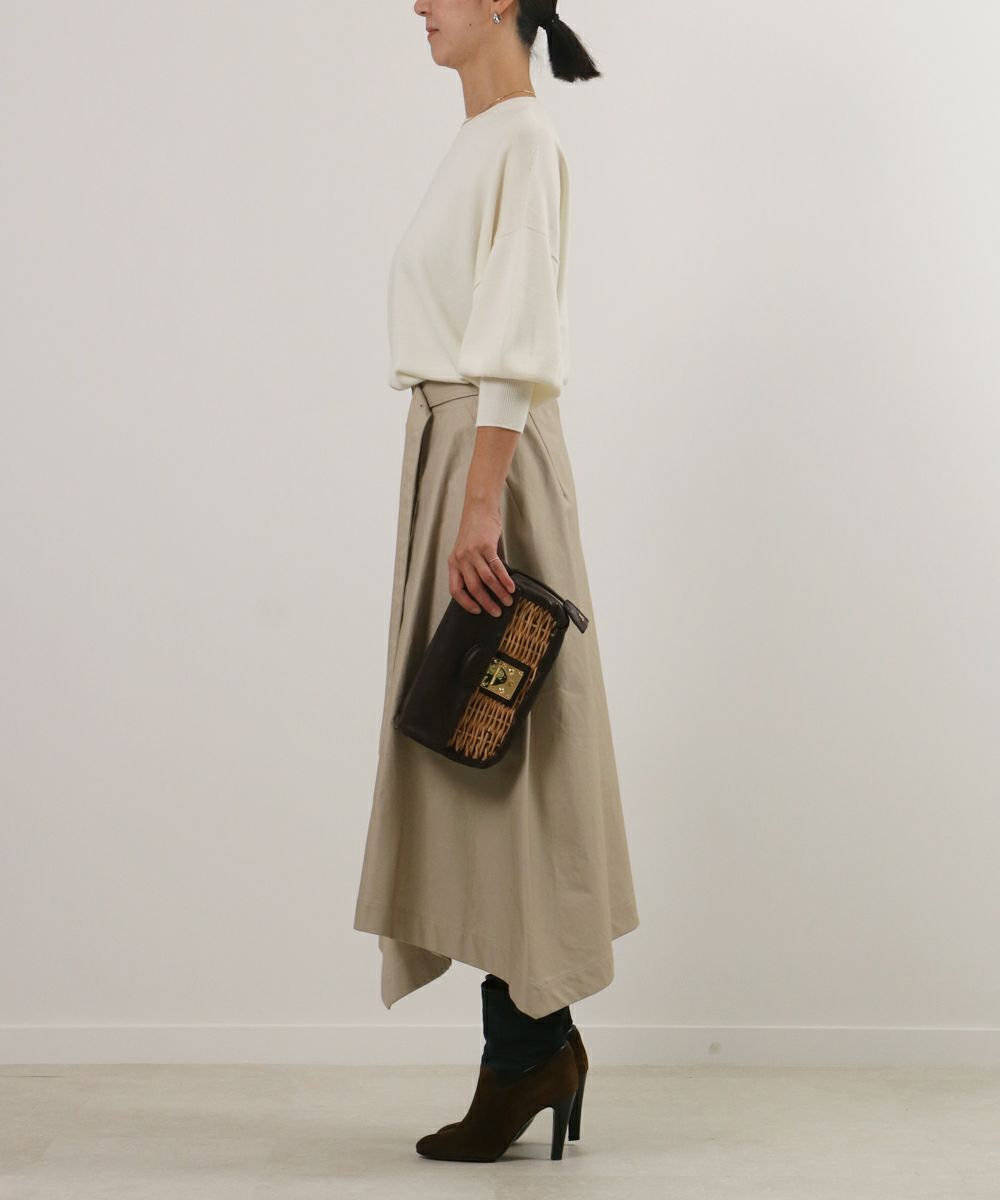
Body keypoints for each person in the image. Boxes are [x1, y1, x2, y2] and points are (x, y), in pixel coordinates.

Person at [352, 0, 640, 1162]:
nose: (415, 4)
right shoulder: (480, 139)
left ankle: (525, 1054)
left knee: (509, 753)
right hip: (457, 453)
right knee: (467, 742)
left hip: (490, 461)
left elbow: (519, 330)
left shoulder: (523, 135)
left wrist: (481, 501)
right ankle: (533, 1047)